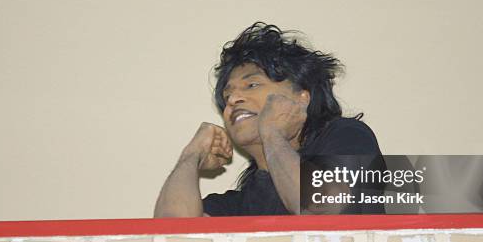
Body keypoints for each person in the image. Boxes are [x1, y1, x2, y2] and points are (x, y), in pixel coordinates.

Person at [154, 22, 384, 217]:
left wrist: (272, 134)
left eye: (252, 84)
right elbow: (172, 237)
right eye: (227, 95)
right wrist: (190, 156)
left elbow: (325, 209)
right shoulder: (244, 200)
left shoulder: (348, 135)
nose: (233, 99)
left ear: (301, 98)